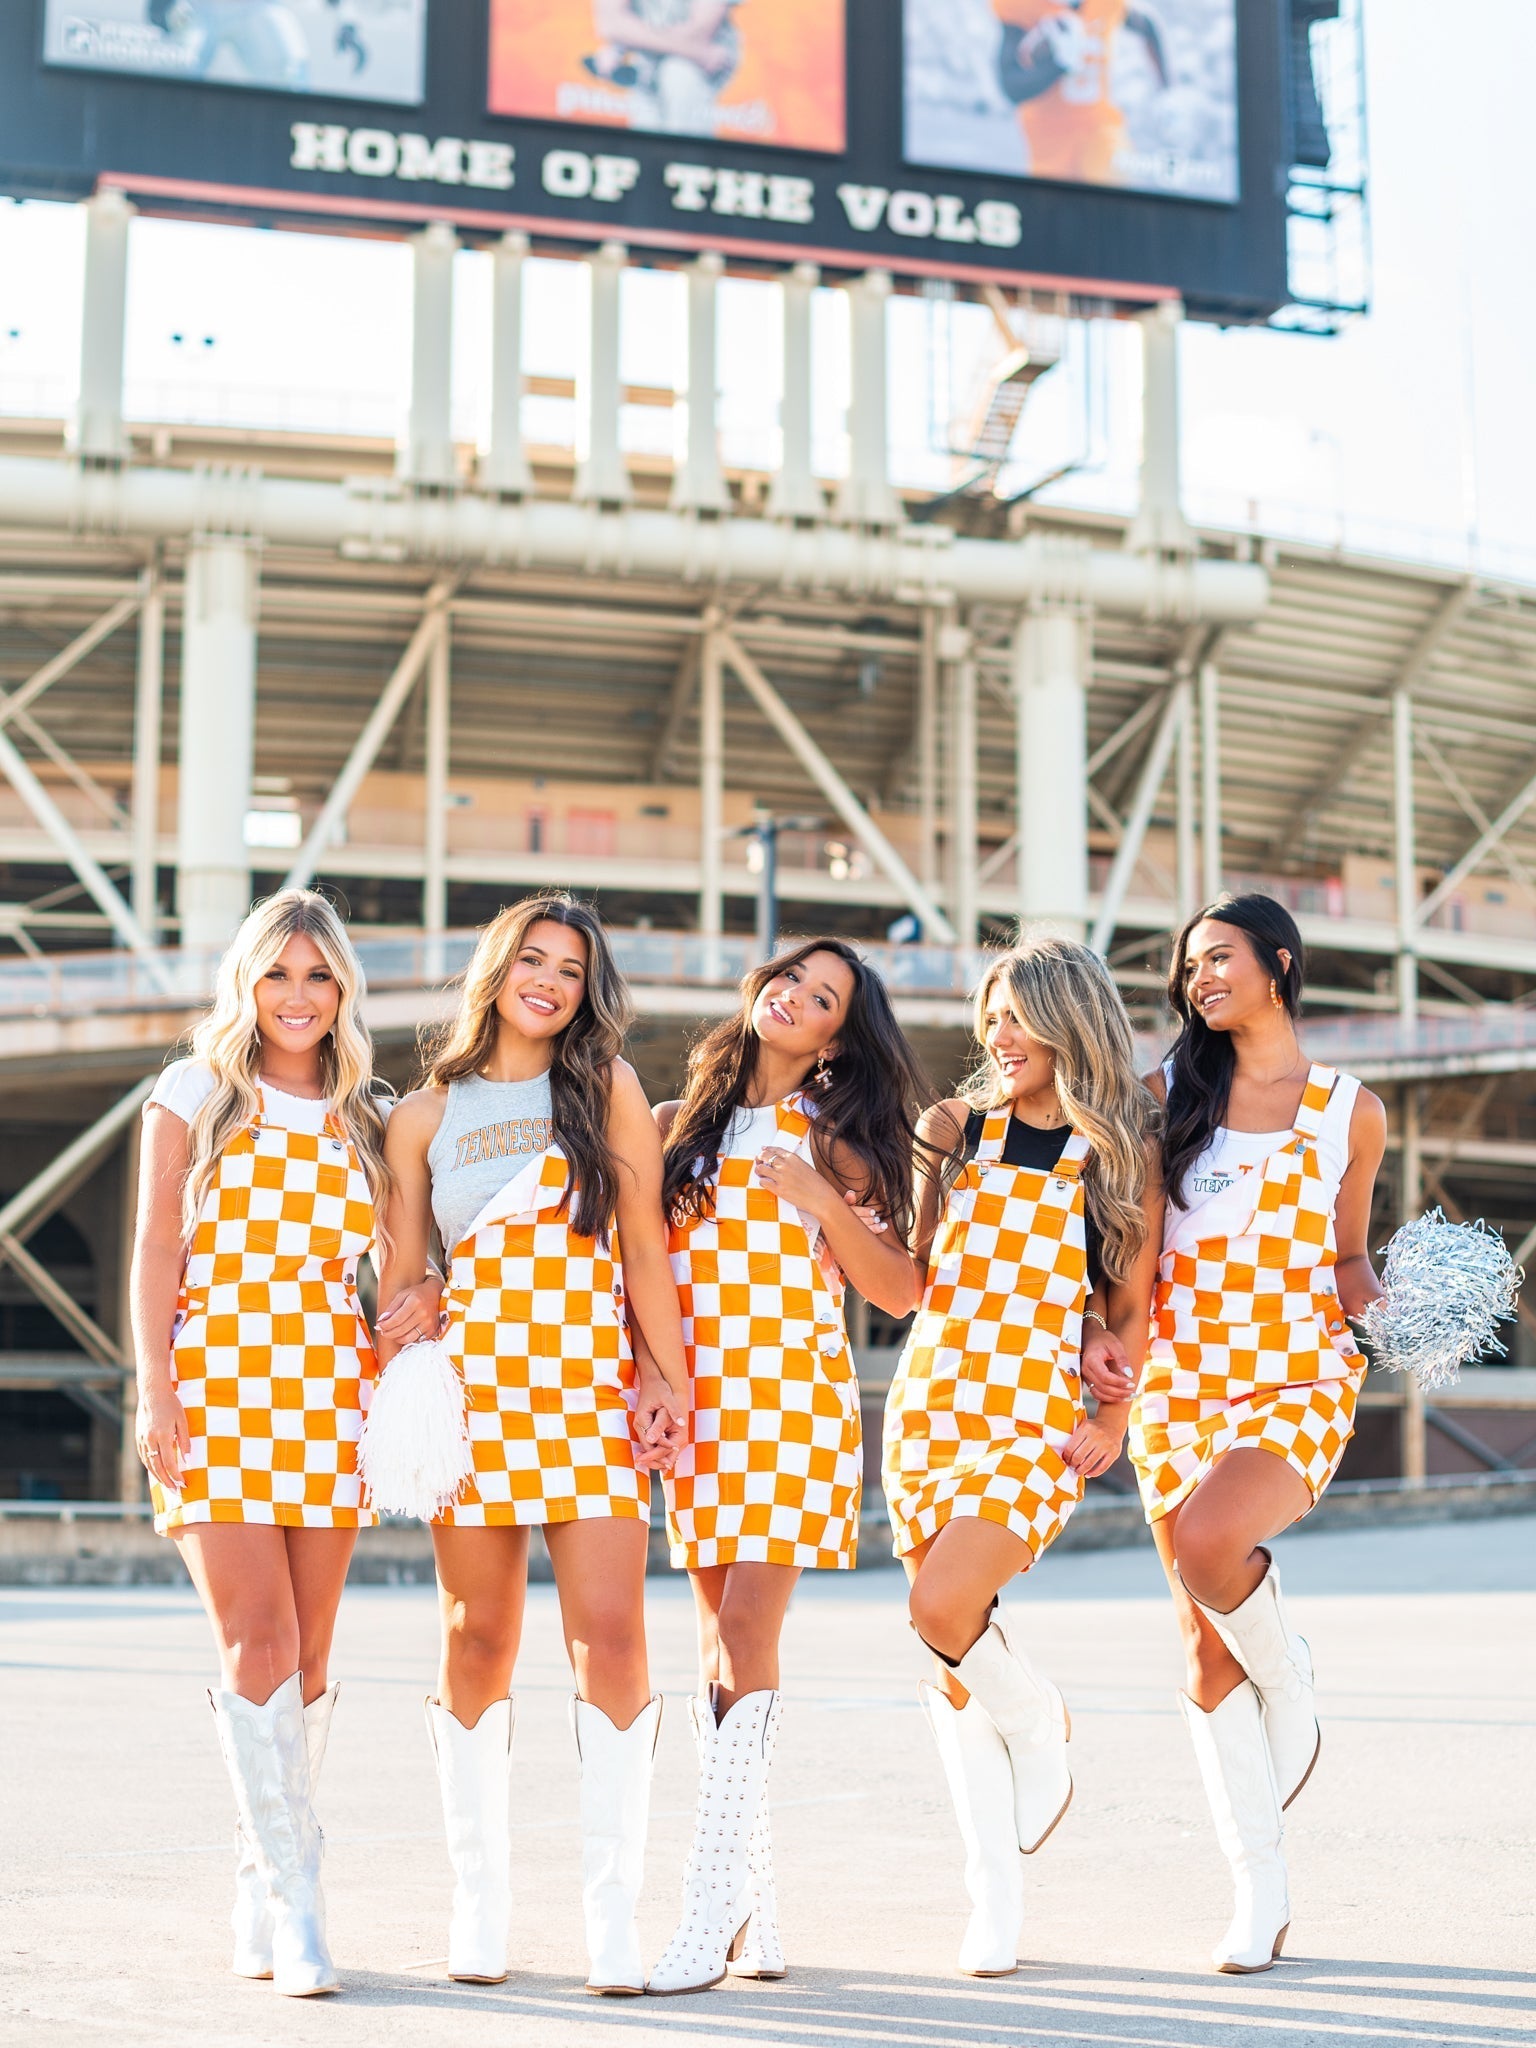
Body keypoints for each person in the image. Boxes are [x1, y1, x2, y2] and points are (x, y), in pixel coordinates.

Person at [378, 894, 688, 1998]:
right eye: (533, 958)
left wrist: (666, 1376)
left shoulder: (604, 1086)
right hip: (479, 1401)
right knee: (477, 1641)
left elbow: (644, 1246)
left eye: (571, 966)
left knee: (612, 1634)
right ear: (496, 968)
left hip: (590, 1399)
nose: (550, 979)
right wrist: (411, 1302)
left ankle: (613, 1912)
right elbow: (405, 1274)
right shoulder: (420, 1117)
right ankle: (482, 1901)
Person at [131, 889, 439, 1998]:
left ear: (343, 986)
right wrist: (155, 1386)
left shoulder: (374, 1111)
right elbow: (158, 1246)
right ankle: (303, 1891)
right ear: (246, 982)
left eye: (318, 975)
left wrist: (427, 1297)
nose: (298, 996)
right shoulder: (197, 1092)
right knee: (255, 1643)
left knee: (307, 1660)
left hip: (331, 1392)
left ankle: (260, 1874)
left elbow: (408, 1263)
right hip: (216, 1386)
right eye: (278, 974)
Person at [1097, 894, 1386, 1974]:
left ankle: (1293, 1677)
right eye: (1188, 964)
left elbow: (1349, 1256)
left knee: (1216, 1542)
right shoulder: (1164, 1094)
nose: (1199, 976)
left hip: (1298, 1377)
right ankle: (1259, 1888)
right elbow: (1121, 1240)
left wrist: (1389, 1304)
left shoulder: (1351, 1109)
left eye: (1219, 956)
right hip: (1177, 1384)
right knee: (1201, 1646)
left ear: (1280, 962)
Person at [643, 939, 928, 1995]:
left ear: (837, 1037)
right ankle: (757, 1902)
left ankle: (707, 1903)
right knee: (718, 1642)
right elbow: (643, 1274)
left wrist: (814, 1191)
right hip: (698, 1411)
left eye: (822, 998)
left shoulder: (842, 1139)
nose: (794, 998)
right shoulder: (677, 1126)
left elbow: (899, 1288)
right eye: (790, 979)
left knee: (746, 1632)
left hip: (791, 1405)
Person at [884, 934, 1160, 1977]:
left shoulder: (1121, 1146)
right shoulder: (951, 1127)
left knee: (942, 1609)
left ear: (1069, 1018)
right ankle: (993, 1894)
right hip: (929, 1405)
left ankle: (1038, 1712)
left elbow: (1127, 1303)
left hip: (1030, 1418)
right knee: (951, 1668)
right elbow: (915, 1269)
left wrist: (1113, 1415)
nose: (997, 1037)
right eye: (989, 1017)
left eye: (1016, 1016)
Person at [589, 0, 741, 136]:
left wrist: (629, 37)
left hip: (693, 72)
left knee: (679, 74)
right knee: (645, 137)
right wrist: (696, 52)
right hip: (646, 69)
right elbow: (611, 24)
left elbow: (699, 32)